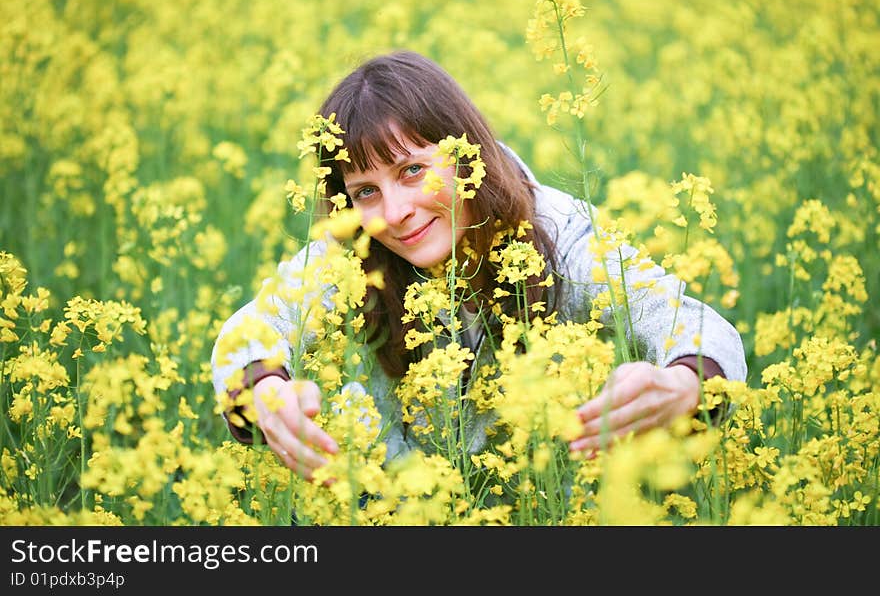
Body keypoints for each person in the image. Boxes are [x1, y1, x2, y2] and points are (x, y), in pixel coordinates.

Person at [211, 49, 747, 482]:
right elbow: (254, 329)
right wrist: (263, 389)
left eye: (414, 171)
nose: (395, 213)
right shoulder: (350, 250)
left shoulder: (560, 230)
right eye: (366, 191)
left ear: (465, 154)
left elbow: (683, 319)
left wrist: (685, 383)